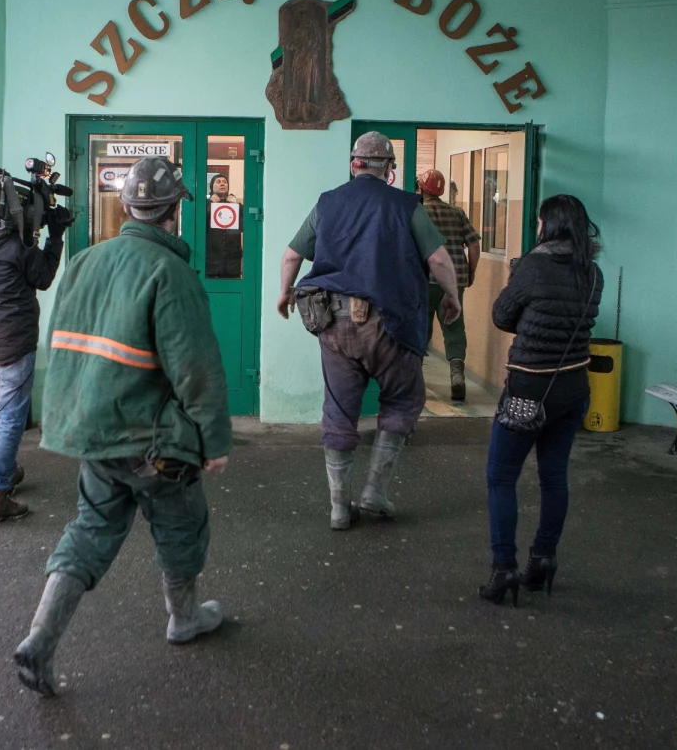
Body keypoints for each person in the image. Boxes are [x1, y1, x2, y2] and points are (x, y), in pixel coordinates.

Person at [14, 156, 232, 697]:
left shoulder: (84, 261)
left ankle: (40, 639)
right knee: (182, 527)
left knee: (90, 529)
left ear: (129, 207)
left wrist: (69, 418)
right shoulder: (170, 272)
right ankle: (183, 618)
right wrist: (213, 440)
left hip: (97, 436)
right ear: (174, 211)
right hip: (155, 443)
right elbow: (195, 369)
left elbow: (61, 348)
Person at [277, 132, 462, 530]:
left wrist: (283, 292)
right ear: (389, 168)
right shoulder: (406, 205)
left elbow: (292, 255)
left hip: (334, 323)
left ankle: (339, 507)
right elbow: (439, 260)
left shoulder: (327, 203)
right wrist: (453, 297)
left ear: (353, 164)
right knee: (401, 400)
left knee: (339, 410)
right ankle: (374, 491)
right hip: (392, 325)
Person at [478, 195, 603, 606]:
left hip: (530, 388)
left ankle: (504, 568)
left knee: (501, 476)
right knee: (554, 477)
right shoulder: (593, 273)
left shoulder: (533, 266)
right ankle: (543, 558)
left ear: (548, 224)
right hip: (574, 387)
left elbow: (501, 315)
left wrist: (518, 281)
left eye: (539, 221)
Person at [0, 165, 65, 522]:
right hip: (15, 346)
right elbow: (44, 277)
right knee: (10, 420)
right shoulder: (17, 247)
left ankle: (3, 472)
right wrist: (55, 236)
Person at [417, 169, 481, 401]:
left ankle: (415, 379)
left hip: (424, 280)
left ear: (422, 189)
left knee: (420, 327)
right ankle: (457, 376)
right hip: (453, 282)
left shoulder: (417, 213)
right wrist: (470, 271)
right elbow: (474, 245)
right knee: (454, 327)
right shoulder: (457, 213)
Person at [205, 173, 243, 279]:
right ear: (212, 187)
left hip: (233, 265)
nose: (222, 184)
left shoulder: (235, 205)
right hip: (211, 264)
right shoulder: (206, 205)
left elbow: (246, 225)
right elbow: (199, 223)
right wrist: (210, 203)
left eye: (225, 182)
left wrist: (236, 205)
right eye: (218, 182)